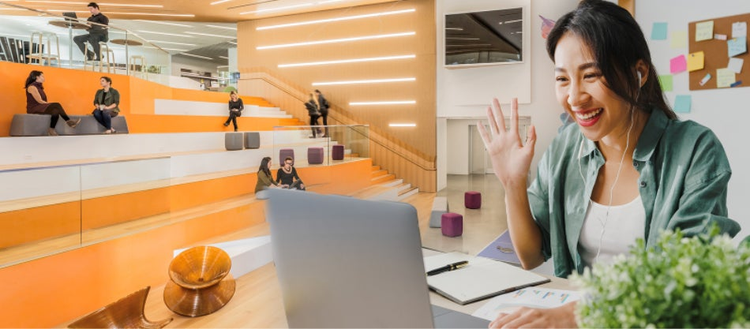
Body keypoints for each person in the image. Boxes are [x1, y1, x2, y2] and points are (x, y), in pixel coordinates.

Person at [478, 1, 741, 327]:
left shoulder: (696, 150)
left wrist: (575, 316)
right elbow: (532, 257)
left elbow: (687, 279)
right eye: (563, 79)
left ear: (639, 73)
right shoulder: (565, 146)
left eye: (591, 75)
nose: (575, 97)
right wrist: (513, 184)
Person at [24, 70, 81, 136]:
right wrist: (50, 105)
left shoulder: (39, 87)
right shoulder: (32, 87)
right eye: (42, 76)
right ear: (37, 77)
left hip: (40, 107)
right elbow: (39, 101)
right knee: (56, 104)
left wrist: (50, 105)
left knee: (55, 111)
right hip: (34, 108)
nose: (44, 78)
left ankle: (51, 129)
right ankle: (68, 121)